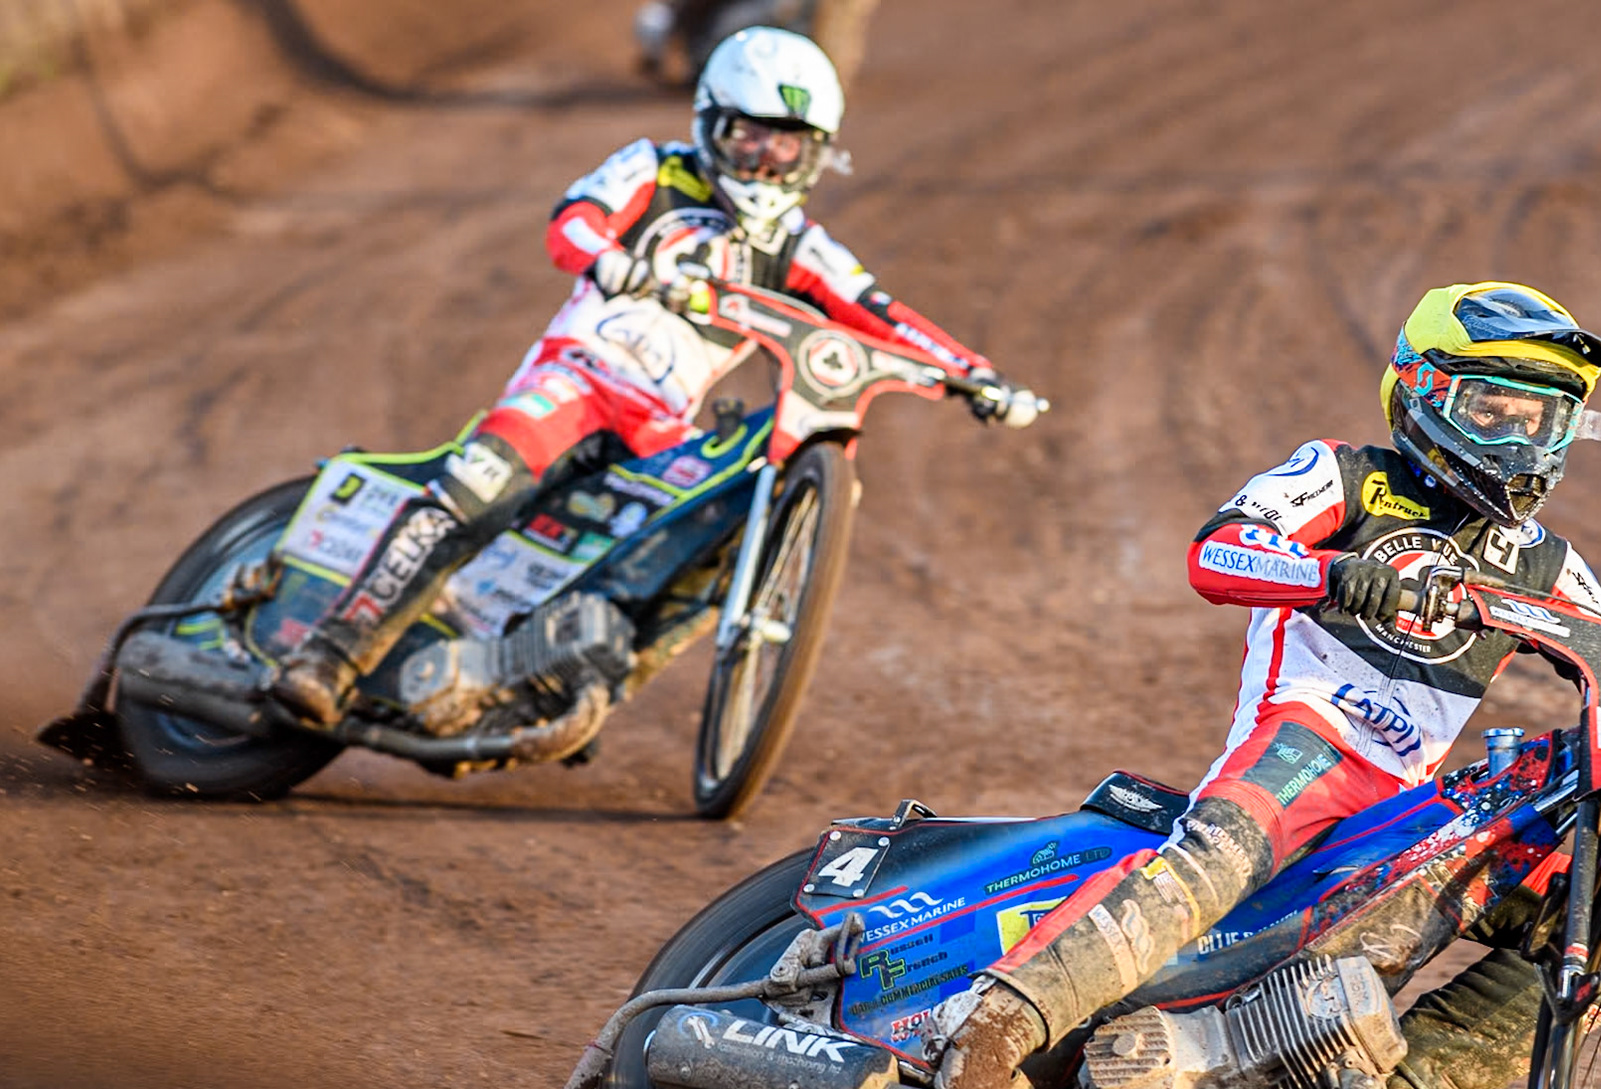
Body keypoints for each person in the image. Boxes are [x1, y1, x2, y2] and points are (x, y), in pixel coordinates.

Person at [928, 281, 1601, 1089]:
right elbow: (1215, 553)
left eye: (1545, 420)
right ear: (1420, 390)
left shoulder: (1546, 563)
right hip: (1308, 736)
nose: (1520, 440)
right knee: (1221, 851)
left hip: (1408, 799)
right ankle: (1001, 1020)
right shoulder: (1343, 474)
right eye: (1493, 409)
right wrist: (1332, 576)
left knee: (1591, 906)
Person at [270, 27, 1037, 727]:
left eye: (788, 149)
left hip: (661, 429)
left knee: (705, 539)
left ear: (816, 155)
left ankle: (563, 676)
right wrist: (615, 261)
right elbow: (571, 222)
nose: (766, 164)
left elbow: (881, 313)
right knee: (478, 484)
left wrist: (976, 376)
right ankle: (331, 653)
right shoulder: (654, 168)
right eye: (750, 141)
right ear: (709, 123)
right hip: (576, 383)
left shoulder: (802, 246)